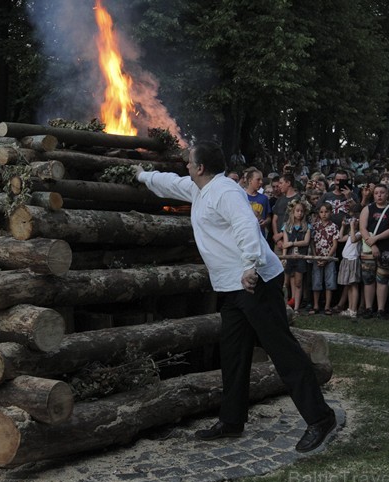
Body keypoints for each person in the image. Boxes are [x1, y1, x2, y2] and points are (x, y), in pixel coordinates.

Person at [134, 141, 336, 452]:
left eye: (189, 162)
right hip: (233, 287)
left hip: (256, 282)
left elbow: (246, 225)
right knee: (233, 353)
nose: (186, 166)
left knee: (282, 350)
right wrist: (142, 176)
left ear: (201, 168)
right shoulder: (199, 188)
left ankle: (320, 418)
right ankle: (231, 420)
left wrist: (249, 265)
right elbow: (171, 183)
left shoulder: (226, 191)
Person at [359, 184, 389, 319]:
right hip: (368, 249)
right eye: (376, 193)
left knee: (382, 279)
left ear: (387, 194)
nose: (379, 195)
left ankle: (381, 309)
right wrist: (371, 243)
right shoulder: (368, 209)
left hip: (386, 248)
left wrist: (376, 238)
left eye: (382, 192)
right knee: (368, 279)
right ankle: (368, 308)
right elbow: (363, 227)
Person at [282, 199, 311, 314]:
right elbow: (285, 243)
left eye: (302, 211)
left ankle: (296, 308)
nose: (300, 213)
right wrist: (284, 257)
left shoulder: (307, 227)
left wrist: (293, 243)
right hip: (289, 257)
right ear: (292, 212)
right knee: (286, 282)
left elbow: (306, 242)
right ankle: (285, 305)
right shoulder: (287, 227)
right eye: (297, 211)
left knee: (298, 282)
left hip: (300, 258)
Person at [310, 204, 339, 315]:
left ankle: (327, 306)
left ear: (331, 212)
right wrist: (315, 257)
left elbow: (335, 244)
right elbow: (312, 242)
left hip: (329, 258)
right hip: (317, 257)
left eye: (326, 212)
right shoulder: (315, 226)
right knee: (316, 281)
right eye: (321, 212)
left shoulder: (334, 226)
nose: (324, 214)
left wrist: (327, 258)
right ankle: (316, 305)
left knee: (329, 282)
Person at [242, 167, 271, 237]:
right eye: (258, 180)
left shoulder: (264, 198)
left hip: (260, 235)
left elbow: (269, 217)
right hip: (245, 235)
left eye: (261, 180)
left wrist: (265, 222)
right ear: (250, 181)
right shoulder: (241, 196)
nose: (261, 182)